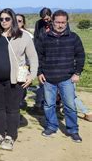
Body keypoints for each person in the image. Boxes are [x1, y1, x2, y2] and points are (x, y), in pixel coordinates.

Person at [0, 8, 38, 150]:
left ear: (13, 20)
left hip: (15, 80)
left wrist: (32, 75)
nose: (3, 21)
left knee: (12, 109)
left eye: (7, 19)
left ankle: (10, 136)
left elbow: (33, 57)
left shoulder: (24, 37)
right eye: (1, 19)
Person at [36, 10, 85, 143]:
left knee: (69, 105)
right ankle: (51, 126)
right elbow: (39, 57)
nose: (60, 25)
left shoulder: (73, 37)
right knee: (48, 105)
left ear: (67, 22)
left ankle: (73, 130)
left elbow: (80, 55)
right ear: (52, 21)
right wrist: (39, 72)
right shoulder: (44, 38)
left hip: (67, 78)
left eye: (63, 22)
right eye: (57, 22)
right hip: (48, 78)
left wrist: (77, 72)